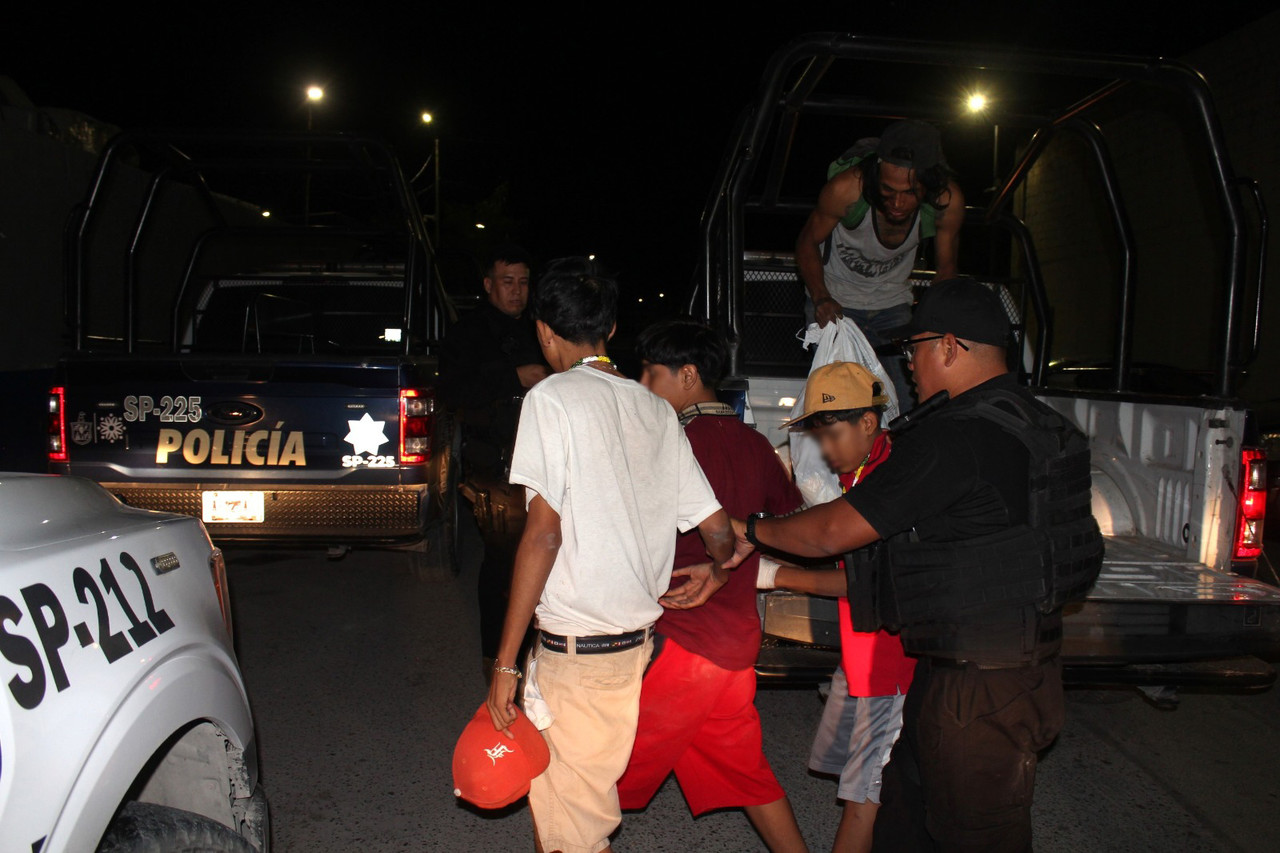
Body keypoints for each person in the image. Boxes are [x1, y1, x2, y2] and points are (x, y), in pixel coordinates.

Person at [723, 277, 1103, 852]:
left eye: (913, 350)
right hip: (1006, 667)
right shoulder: (1046, 426)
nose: (909, 367)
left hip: (980, 687)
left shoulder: (957, 435)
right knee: (904, 818)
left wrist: (752, 530)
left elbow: (833, 530)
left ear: (949, 347)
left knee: (975, 836)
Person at [484, 259, 738, 853]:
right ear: (612, 329)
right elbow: (719, 528)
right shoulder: (656, 409)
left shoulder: (551, 400)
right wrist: (719, 571)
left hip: (579, 656)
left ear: (545, 331)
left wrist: (504, 663)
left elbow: (543, 534)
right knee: (583, 809)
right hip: (632, 651)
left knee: (574, 831)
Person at [614, 319, 807, 853]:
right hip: (733, 643)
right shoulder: (756, 443)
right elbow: (789, 526)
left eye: (652, 374)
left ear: (688, 374)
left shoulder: (672, 443)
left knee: (591, 776)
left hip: (682, 643)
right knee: (750, 777)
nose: (644, 386)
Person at [754, 361, 915, 853]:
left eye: (832, 434)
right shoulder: (863, 470)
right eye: (819, 437)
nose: (825, 450)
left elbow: (862, 581)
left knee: (864, 794)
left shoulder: (891, 480)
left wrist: (777, 575)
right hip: (864, 657)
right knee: (858, 780)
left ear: (869, 422)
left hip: (892, 669)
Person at [795, 121, 964, 410]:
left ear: (928, 185)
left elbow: (946, 271)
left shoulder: (946, 202)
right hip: (836, 302)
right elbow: (806, 243)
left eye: (910, 192)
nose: (897, 202)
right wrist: (821, 297)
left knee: (909, 399)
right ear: (876, 174)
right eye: (887, 190)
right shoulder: (847, 189)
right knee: (839, 405)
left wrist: (930, 322)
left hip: (892, 304)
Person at [438, 244, 549, 673]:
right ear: (488, 285)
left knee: (546, 557)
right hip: (495, 468)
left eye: (523, 282)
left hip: (543, 462)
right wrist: (513, 378)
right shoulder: (468, 333)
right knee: (503, 565)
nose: (516, 291)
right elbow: (451, 391)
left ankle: (540, 652)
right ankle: (498, 659)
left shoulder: (541, 330)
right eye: (507, 282)